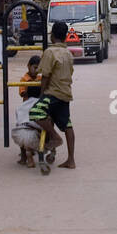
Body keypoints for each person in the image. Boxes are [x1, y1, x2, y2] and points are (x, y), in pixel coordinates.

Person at [33, 21, 76, 169]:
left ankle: (55, 137)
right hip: (65, 93)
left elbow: (45, 75)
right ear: (65, 37)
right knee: (67, 125)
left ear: (52, 36)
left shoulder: (50, 52)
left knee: (36, 112)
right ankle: (71, 160)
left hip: (52, 93)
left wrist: (41, 94)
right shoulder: (68, 54)